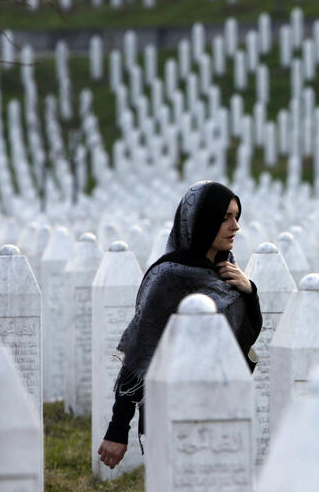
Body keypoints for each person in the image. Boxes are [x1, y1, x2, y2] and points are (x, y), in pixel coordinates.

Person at [97, 180, 262, 469]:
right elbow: (140, 355)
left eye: (237, 217)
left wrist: (250, 291)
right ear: (201, 221)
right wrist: (117, 429)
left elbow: (245, 339)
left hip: (223, 403)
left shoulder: (227, 271)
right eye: (225, 218)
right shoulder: (168, 278)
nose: (235, 226)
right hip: (176, 408)